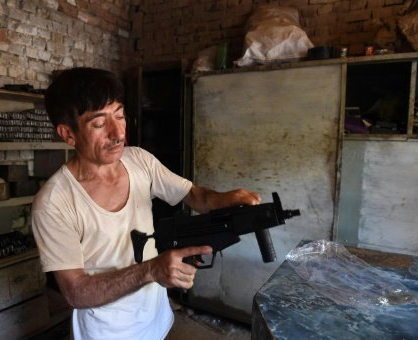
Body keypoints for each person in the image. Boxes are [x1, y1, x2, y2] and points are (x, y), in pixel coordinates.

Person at [31, 67, 261, 340]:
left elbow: (196, 197)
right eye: (99, 123)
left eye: (119, 115)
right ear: (68, 134)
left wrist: (226, 199)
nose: (118, 133)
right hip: (107, 332)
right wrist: (152, 269)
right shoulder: (54, 203)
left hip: (155, 320)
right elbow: (75, 291)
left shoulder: (139, 160)